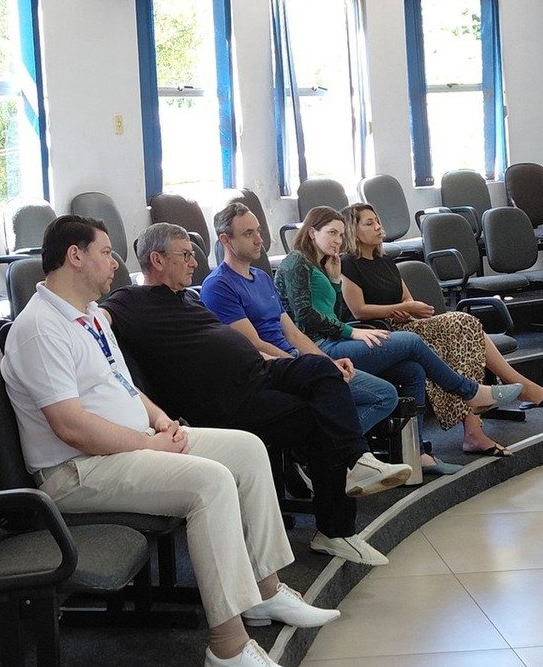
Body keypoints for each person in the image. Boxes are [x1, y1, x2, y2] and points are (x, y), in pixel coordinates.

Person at [5, 215, 337, 667]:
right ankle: (228, 649)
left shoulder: (89, 314)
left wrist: (160, 420)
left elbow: (123, 385)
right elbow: (70, 426)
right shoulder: (40, 327)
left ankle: (264, 591)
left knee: (246, 449)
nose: (115, 263)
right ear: (74, 256)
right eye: (106, 252)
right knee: (210, 483)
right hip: (77, 470)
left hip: (130, 444)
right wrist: (148, 443)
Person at [104, 223, 410, 566]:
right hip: (226, 398)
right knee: (318, 417)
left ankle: (358, 460)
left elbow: (226, 342)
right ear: (157, 260)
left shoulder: (188, 297)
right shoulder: (129, 301)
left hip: (259, 371)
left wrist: (278, 361)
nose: (194, 262)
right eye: (185, 254)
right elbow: (93, 320)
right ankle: (336, 530)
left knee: (323, 370)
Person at [276, 206, 512, 458]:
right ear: (312, 232)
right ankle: (470, 391)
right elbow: (305, 317)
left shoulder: (322, 264)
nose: (338, 240)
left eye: (341, 235)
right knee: (411, 341)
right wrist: (351, 332)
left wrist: (334, 281)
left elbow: (331, 313)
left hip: (332, 341)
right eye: (332, 233)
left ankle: (416, 452)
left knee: (414, 370)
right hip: (317, 349)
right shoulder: (296, 262)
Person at [340, 200, 543, 451]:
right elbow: (358, 310)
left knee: (465, 330)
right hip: (380, 333)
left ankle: (477, 428)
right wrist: (401, 309)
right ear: (353, 231)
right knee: (463, 325)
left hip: (405, 324)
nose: (378, 227)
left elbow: (406, 298)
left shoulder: (386, 261)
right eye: (369, 223)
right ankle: (499, 404)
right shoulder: (348, 264)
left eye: (377, 221)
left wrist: (407, 309)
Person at [199, 203, 401, 442]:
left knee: (386, 392)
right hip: (271, 369)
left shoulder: (262, 277)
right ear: (225, 240)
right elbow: (254, 344)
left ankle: (331, 450)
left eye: (258, 231)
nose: (259, 239)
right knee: (381, 394)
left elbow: (293, 333)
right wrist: (305, 366)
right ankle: (338, 452)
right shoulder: (219, 285)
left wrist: (326, 362)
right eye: (248, 233)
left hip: (295, 359)